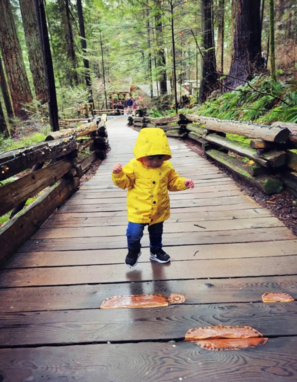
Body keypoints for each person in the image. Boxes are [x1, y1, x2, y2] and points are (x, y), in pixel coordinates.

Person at [111, 128, 194, 268]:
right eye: (150, 158)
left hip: (158, 209)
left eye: (159, 157)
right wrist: (118, 175)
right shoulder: (133, 166)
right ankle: (133, 251)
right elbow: (125, 183)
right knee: (133, 234)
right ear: (141, 154)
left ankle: (155, 250)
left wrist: (183, 182)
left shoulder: (166, 167)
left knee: (156, 233)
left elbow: (172, 182)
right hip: (138, 210)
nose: (155, 162)